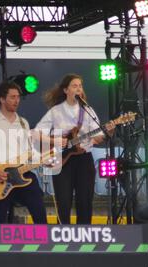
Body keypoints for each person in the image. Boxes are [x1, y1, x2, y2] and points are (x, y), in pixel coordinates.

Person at [35, 74, 114, 224]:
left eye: (80, 85)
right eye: (74, 85)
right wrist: (56, 140)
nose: (79, 88)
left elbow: (97, 137)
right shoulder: (56, 111)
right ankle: (62, 237)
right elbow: (36, 133)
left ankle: (84, 238)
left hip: (84, 158)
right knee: (63, 202)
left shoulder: (87, 110)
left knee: (84, 201)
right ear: (66, 90)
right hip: (62, 160)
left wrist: (108, 131)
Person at [0, 81, 47, 224]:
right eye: (12, 97)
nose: (17, 101)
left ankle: (45, 241)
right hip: (1, 177)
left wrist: (44, 159)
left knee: (38, 206)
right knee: (1, 216)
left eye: (18, 97)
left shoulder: (23, 122)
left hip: (23, 174)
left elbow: (29, 152)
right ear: (2, 99)